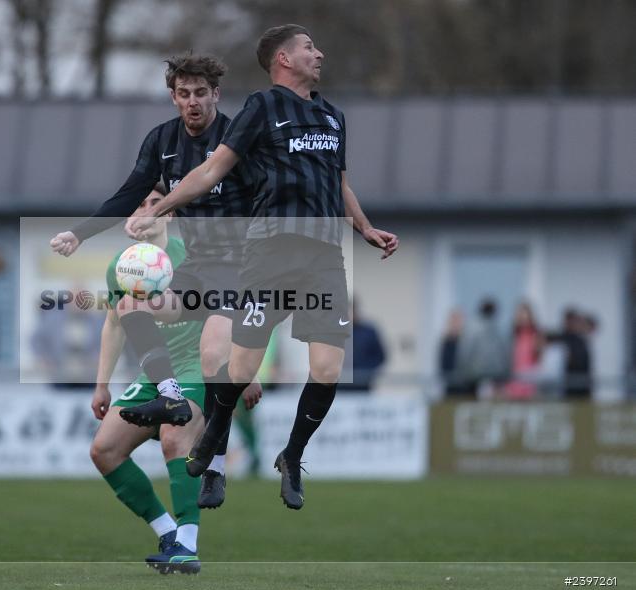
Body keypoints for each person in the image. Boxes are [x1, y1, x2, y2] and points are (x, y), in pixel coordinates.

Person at [130, 25, 398, 509]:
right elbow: (212, 170)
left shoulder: (332, 116)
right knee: (240, 366)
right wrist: (161, 205)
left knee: (327, 369)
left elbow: (340, 184)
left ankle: (292, 457)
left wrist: (365, 227)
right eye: (309, 47)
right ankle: (213, 440)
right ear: (283, 59)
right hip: (270, 250)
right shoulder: (260, 108)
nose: (319, 53)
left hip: (323, 255)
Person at [50, 53, 259, 508]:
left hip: (239, 268)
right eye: (183, 94)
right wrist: (79, 233)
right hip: (199, 268)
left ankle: (216, 467)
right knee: (131, 305)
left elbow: (267, 194)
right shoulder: (162, 140)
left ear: (216, 95)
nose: (192, 102)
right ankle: (170, 396)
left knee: (211, 355)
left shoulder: (236, 138)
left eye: (200, 93)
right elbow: (128, 193)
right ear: (173, 97)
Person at [89, 188, 262, 573]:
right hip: (154, 373)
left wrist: (244, 370)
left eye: (155, 202)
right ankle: (167, 531)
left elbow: (232, 313)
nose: (146, 210)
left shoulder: (197, 257)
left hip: (197, 368)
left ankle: (186, 544)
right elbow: (115, 323)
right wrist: (101, 383)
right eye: (138, 204)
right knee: (104, 450)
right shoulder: (122, 265)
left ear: (169, 213)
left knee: (174, 437)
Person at [456, 298, 509, 397]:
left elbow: (465, 352)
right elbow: (506, 353)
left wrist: (463, 371)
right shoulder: (501, 329)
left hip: (475, 375)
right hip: (495, 375)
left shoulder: (472, 328)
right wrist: (506, 372)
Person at [339, 301, 386, 392]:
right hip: (338, 386)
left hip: (361, 385)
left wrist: (365, 372)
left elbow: (380, 356)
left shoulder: (368, 332)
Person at [502, 302, 544, 400]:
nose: (523, 318)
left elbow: (540, 357)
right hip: (514, 379)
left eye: (525, 315)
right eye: (520, 315)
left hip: (531, 380)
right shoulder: (512, 335)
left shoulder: (536, 334)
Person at [439, 309, 469, 397]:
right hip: (451, 384)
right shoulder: (446, 341)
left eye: (458, 320)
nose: (456, 323)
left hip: (466, 385)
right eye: (454, 320)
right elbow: (443, 363)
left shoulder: (467, 341)